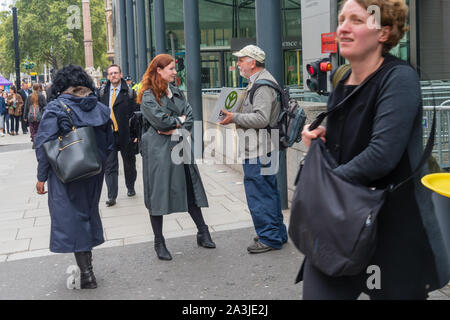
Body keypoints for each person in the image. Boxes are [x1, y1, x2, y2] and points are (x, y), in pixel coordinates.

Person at [299, 0, 450, 300]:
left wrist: (325, 190)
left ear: (384, 32)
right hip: (342, 223)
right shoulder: (343, 77)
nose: (342, 27)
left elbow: (382, 154)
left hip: (392, 229)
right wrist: (321, 136)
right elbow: (354, 133)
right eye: (342, 19)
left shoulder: (399, 78)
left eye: (356, 20)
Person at [34, 64, 113, 289]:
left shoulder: (56, 108)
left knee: (73, 219)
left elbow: (43, 145)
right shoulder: (98, 107)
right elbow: (109, 142)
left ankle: (87, 274)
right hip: (93, 171)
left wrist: (41, 177)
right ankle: (88, 268)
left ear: (62, 85)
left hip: (66, 173)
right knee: (88, 214)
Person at [137, 54, 215, 261]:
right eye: (170, 68)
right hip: (158, 150)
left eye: (174, 68)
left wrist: (176, 126)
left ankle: (203, 232)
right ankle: (159, 242)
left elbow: (189, 117)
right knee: (158, 193)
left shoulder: (177, 92)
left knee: (190, 187)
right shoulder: (147, 95)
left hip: (179, 144)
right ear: (158, 70)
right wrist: (174, 123)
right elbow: (160, 122)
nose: (174, 72)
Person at [219, 45, 288, 254]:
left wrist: (235, 117)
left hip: (259, 149)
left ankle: (269, 237)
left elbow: (261, 118)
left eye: (241, 60)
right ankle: (276, 233)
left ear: (253, 62)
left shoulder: (262, 86)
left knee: (259, 193)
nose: (238, 63)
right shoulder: (258, 83)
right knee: (269, 191)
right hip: (264, 147)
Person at [98, 65, 138, 207]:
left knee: (129, 163)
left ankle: (130, 186)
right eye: (110, 73)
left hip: (126, 134)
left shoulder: (131, 93)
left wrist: (135, 134)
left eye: (115, 73)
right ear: (108, 76)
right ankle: (111, 196)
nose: (113, 75)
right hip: (108, 135)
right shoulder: (102, 93)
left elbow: (136, 115)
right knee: (110, 166)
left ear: (121, 74)